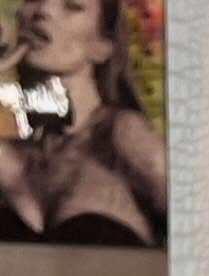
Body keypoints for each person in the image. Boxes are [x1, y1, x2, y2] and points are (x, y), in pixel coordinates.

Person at [0, 0, 165, 245]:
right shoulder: (9, 158)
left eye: (72, 6)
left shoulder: (122, 134)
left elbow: (202, 219)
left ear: (102, 47)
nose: (43, 11)